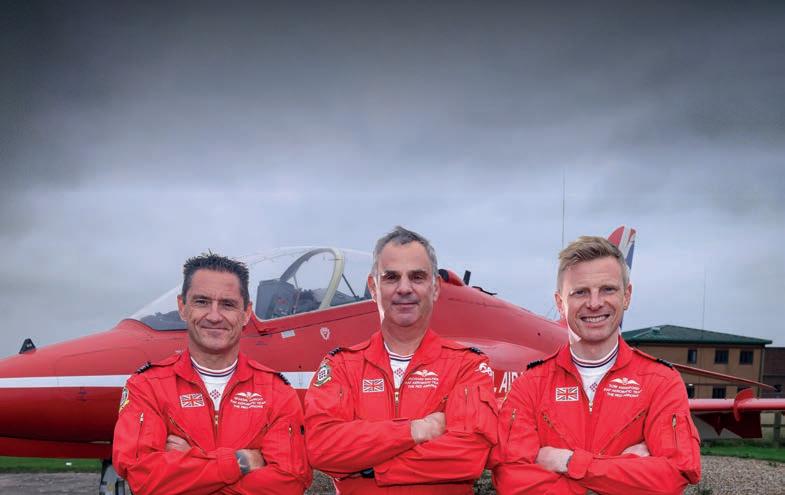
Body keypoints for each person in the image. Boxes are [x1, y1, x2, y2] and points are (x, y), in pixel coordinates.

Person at [492, 235, 701, 494]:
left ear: (627, 296)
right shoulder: (530, 385)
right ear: (560, 303)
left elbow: (675, 474)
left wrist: (569, 462)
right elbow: (511, 479)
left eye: (608, 289)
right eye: (580, 292)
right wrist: (622, 472)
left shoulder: (661, 382)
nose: (594, 303)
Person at [304, 226, 498, 494]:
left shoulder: (468, 365)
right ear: (373, 287)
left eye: (417, 277)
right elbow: (321, 447)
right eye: (391, 277)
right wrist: (414, 431)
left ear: (435, 288)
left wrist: (370, 470)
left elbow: (468, 457)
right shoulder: (341, 365)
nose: (404, 288)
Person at [112, 253, 311, 495]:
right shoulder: (146, 386)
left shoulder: (277, 391)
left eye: (228, 304)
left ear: (246, 313)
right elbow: (144, 479)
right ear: (182, 307)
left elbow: (289, 483)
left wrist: (191, 464)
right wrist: (242, 462)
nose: (215, 316)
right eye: (202, 302)